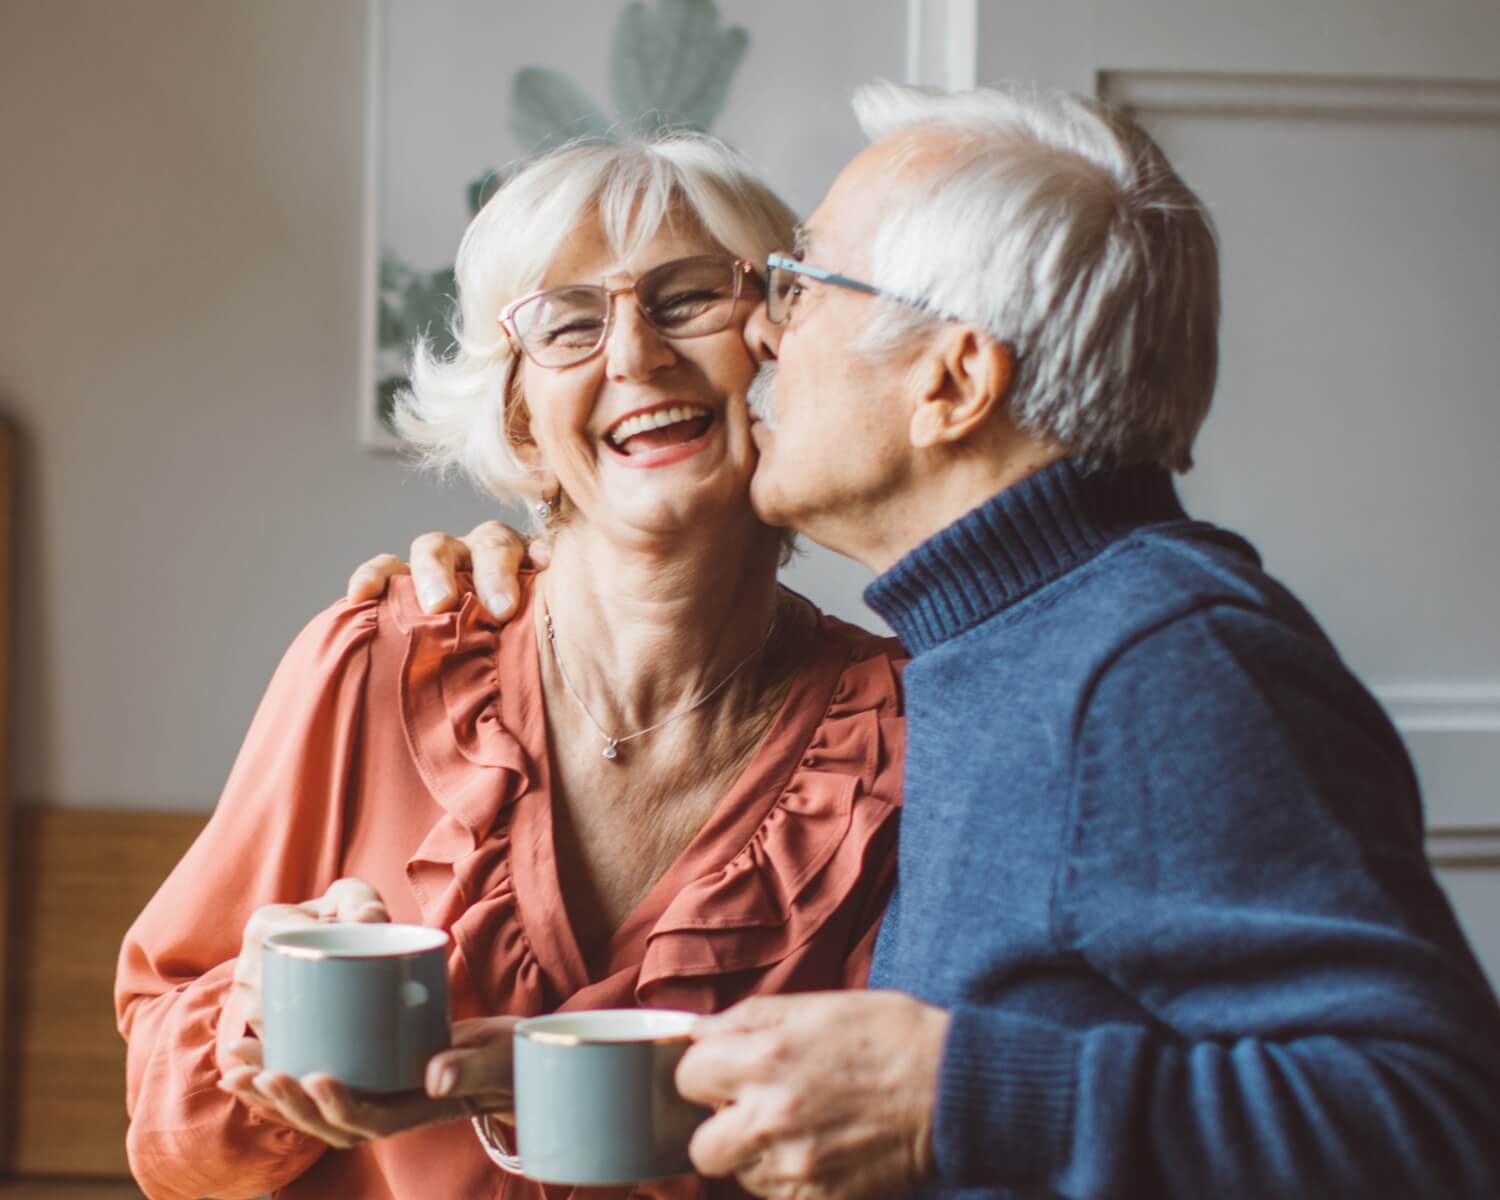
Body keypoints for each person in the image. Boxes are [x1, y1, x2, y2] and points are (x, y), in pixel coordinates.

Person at [364, 82, 1500, 1199]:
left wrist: (951, 1098)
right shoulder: (995, 648)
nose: (759, 329)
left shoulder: (1163, 664)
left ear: (953, 383)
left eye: (803, 287)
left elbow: (1442, 1128)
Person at [114, 133, 907, 1200]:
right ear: (522, 424)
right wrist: (251, 1033)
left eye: (686, 301)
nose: (634, 354)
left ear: (779, 361)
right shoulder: (374, 662)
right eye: (570, 323)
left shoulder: (903, 739)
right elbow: (172, 1139)